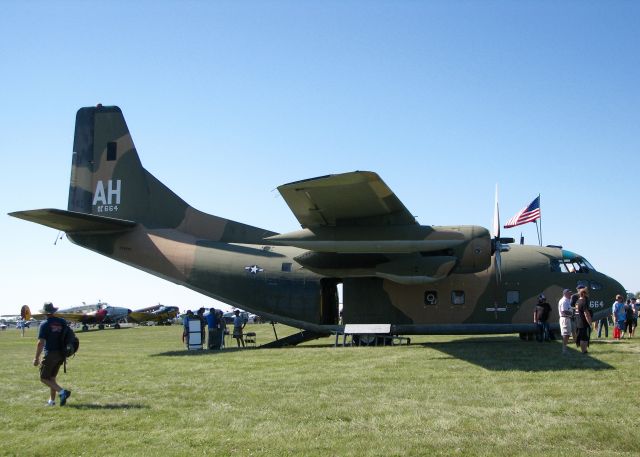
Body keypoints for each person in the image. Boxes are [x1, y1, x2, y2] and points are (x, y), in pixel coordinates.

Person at [33, 302, 72, 406]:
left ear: (45, 313)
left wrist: (36, 358)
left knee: (43, 378)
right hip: (61, 354)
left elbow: (40, 343)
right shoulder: (62, 322)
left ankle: (63, 392)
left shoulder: (44, 324)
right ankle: (52, 401)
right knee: (52, 378)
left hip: (50, 353)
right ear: (53, 311)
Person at [574, 288, 592, 353]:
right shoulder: (584, 302)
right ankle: (583, 350)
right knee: (584, 337)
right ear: (584, 294)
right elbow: (586, 314)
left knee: (581, 337)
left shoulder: (577, 301)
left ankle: (584, 350)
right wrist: (590, 323)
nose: (588, 295)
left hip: (578, 322)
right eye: (587, 293)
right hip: (583, 322)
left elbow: (576, 312)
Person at [558, 289, 573, 354]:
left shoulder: (567, 300)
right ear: (565, 294)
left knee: (567, 334)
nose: (570, 294)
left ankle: (565, 349)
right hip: (565, 318)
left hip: (567, 318)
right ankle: (564, 350)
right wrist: (572, 314)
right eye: (569, 293)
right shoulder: (564, 301)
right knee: (565, 334)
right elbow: (564, 311)